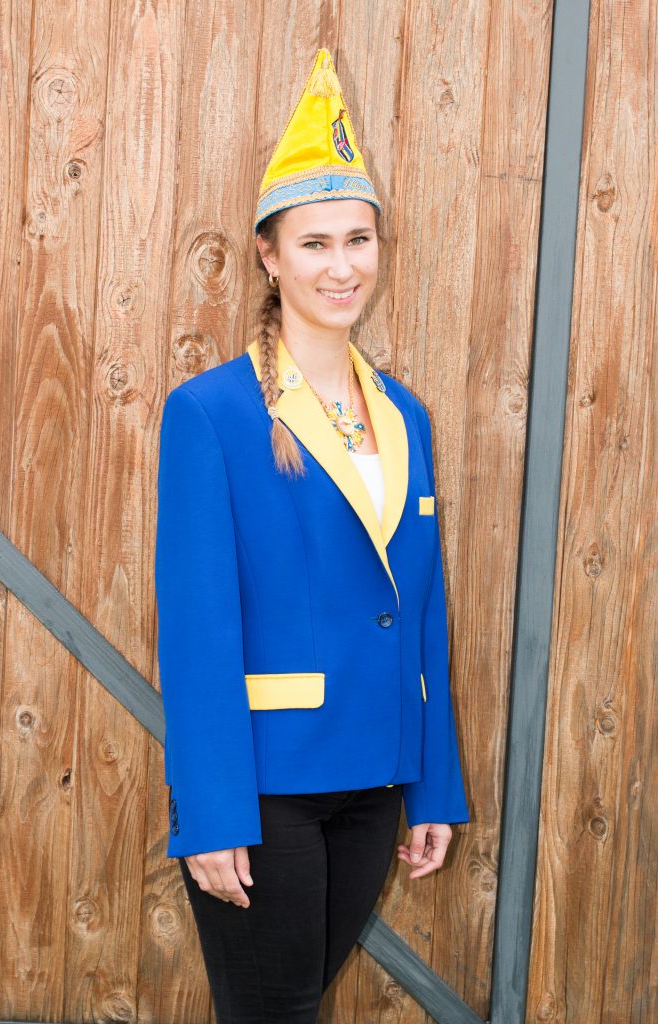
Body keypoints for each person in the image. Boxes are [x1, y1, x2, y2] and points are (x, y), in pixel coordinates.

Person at [154, 46, 470, 1024]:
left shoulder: (404, 415)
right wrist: (210, 810)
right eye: (315, 243)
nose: (342, 266)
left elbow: (420, 613)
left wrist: (433, 786)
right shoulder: (211, 413)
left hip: (376, 778)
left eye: (358, 239)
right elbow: (198, 631)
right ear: (269, 254)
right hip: (265, 785)